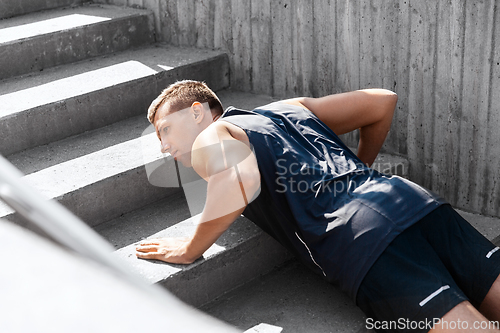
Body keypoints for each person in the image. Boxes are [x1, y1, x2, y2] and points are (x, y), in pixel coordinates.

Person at [135, 80, 500, 332]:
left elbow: (239, 182)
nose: (163, 147)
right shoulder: (286, 109)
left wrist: (190, 248)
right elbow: (381, 101)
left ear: (198, 112)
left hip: (365, 243)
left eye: (164, 129)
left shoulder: (211, 136)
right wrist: (364, 169)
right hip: (409, 200)